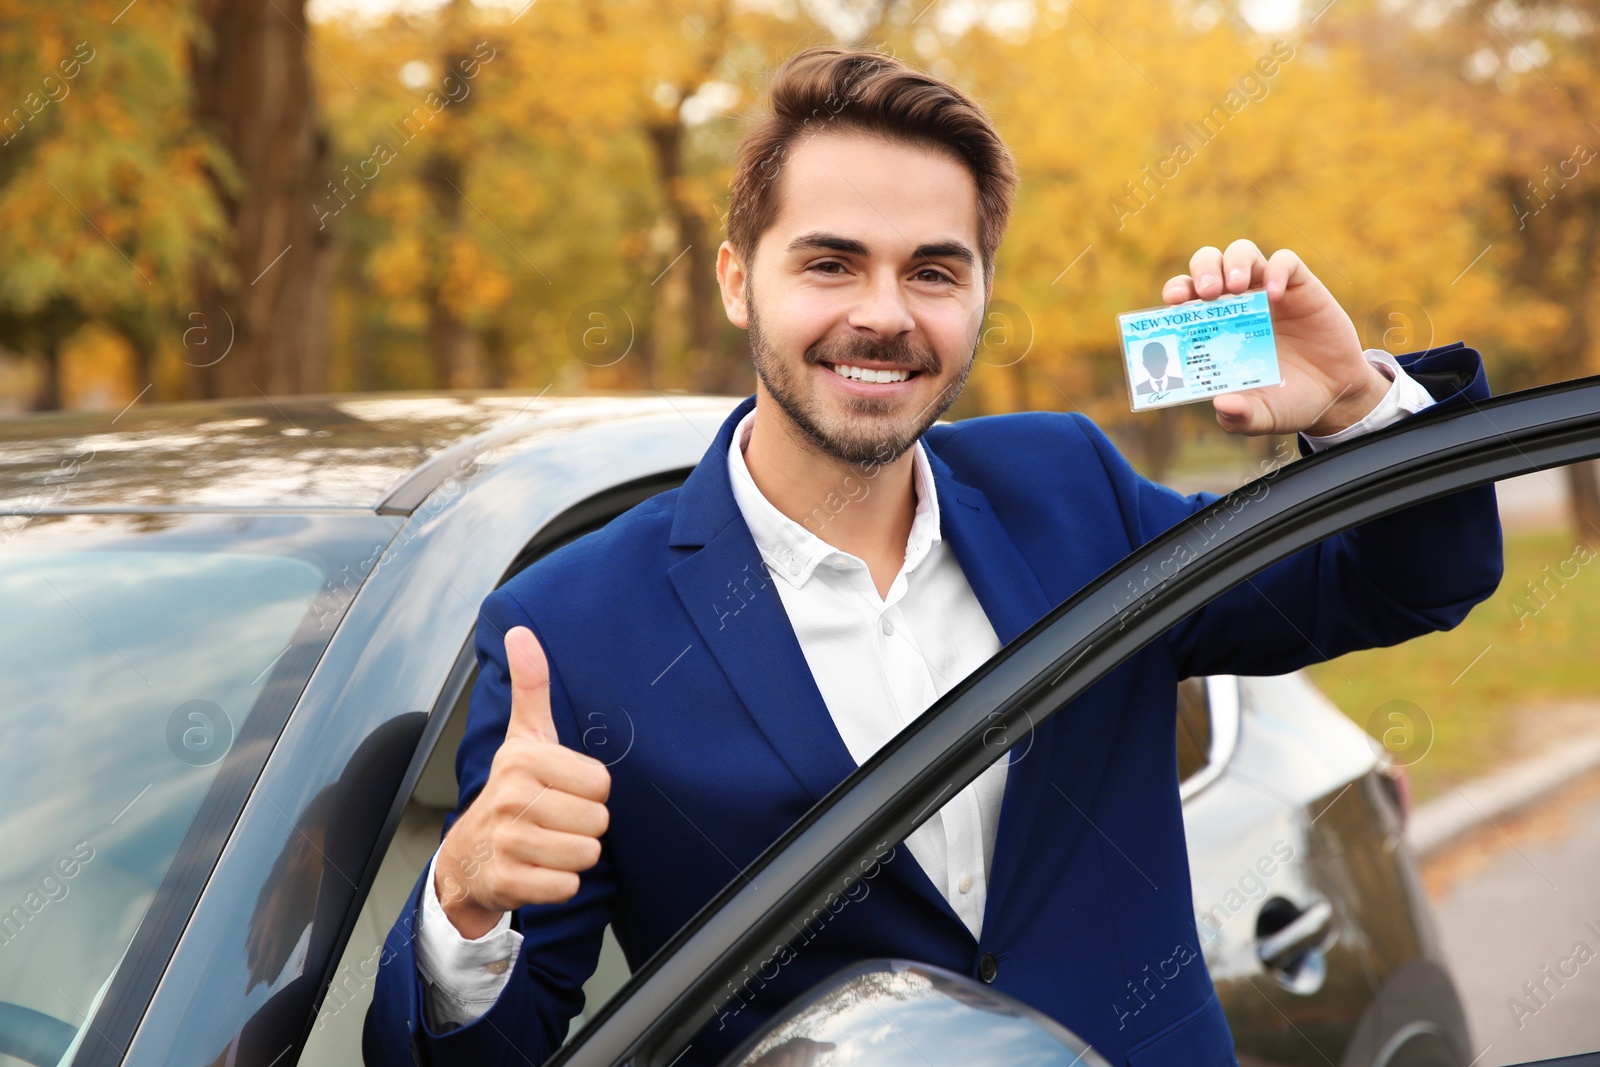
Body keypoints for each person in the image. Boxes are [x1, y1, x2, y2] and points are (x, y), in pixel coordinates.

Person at [364, 46, 1502, 1067]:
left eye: (933, 271)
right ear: (732, 278)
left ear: (979, 294)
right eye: (829, 263)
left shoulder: (1072, 490)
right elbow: (487, 1059)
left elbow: (1408, 576)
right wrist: (462, 908)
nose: (884, 314)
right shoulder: (571, 628)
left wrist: (1356, 405)